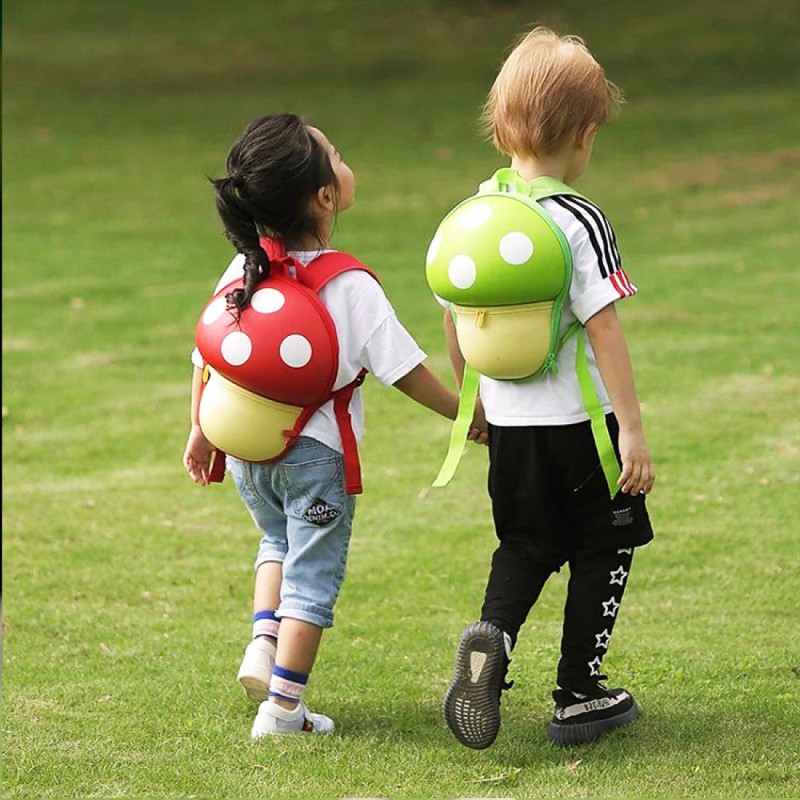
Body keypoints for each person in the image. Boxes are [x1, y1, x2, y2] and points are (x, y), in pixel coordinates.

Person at [182, 114, 486, 738]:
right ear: (325, 197)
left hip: (247, 455)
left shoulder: (242, 272)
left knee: (276, 546)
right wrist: (468, 412)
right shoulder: (349, 284)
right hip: (315, 460)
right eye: (339, 158)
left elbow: (209, 359)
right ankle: (284, 710)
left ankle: (263, 646)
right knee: (313, 580)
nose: (348, 166)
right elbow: (406, 371)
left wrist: (199, 432)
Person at [440, 27, 656, 749]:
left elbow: (456, 318)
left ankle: (492, 637)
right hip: (580, 430)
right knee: (605, 547)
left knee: (525, 545)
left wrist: (470, 398)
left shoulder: (475, 212)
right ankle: (578, 693)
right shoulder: (577, 218)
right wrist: (631, 426)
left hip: (508, 428)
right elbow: (605, 332)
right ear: (587, 133)